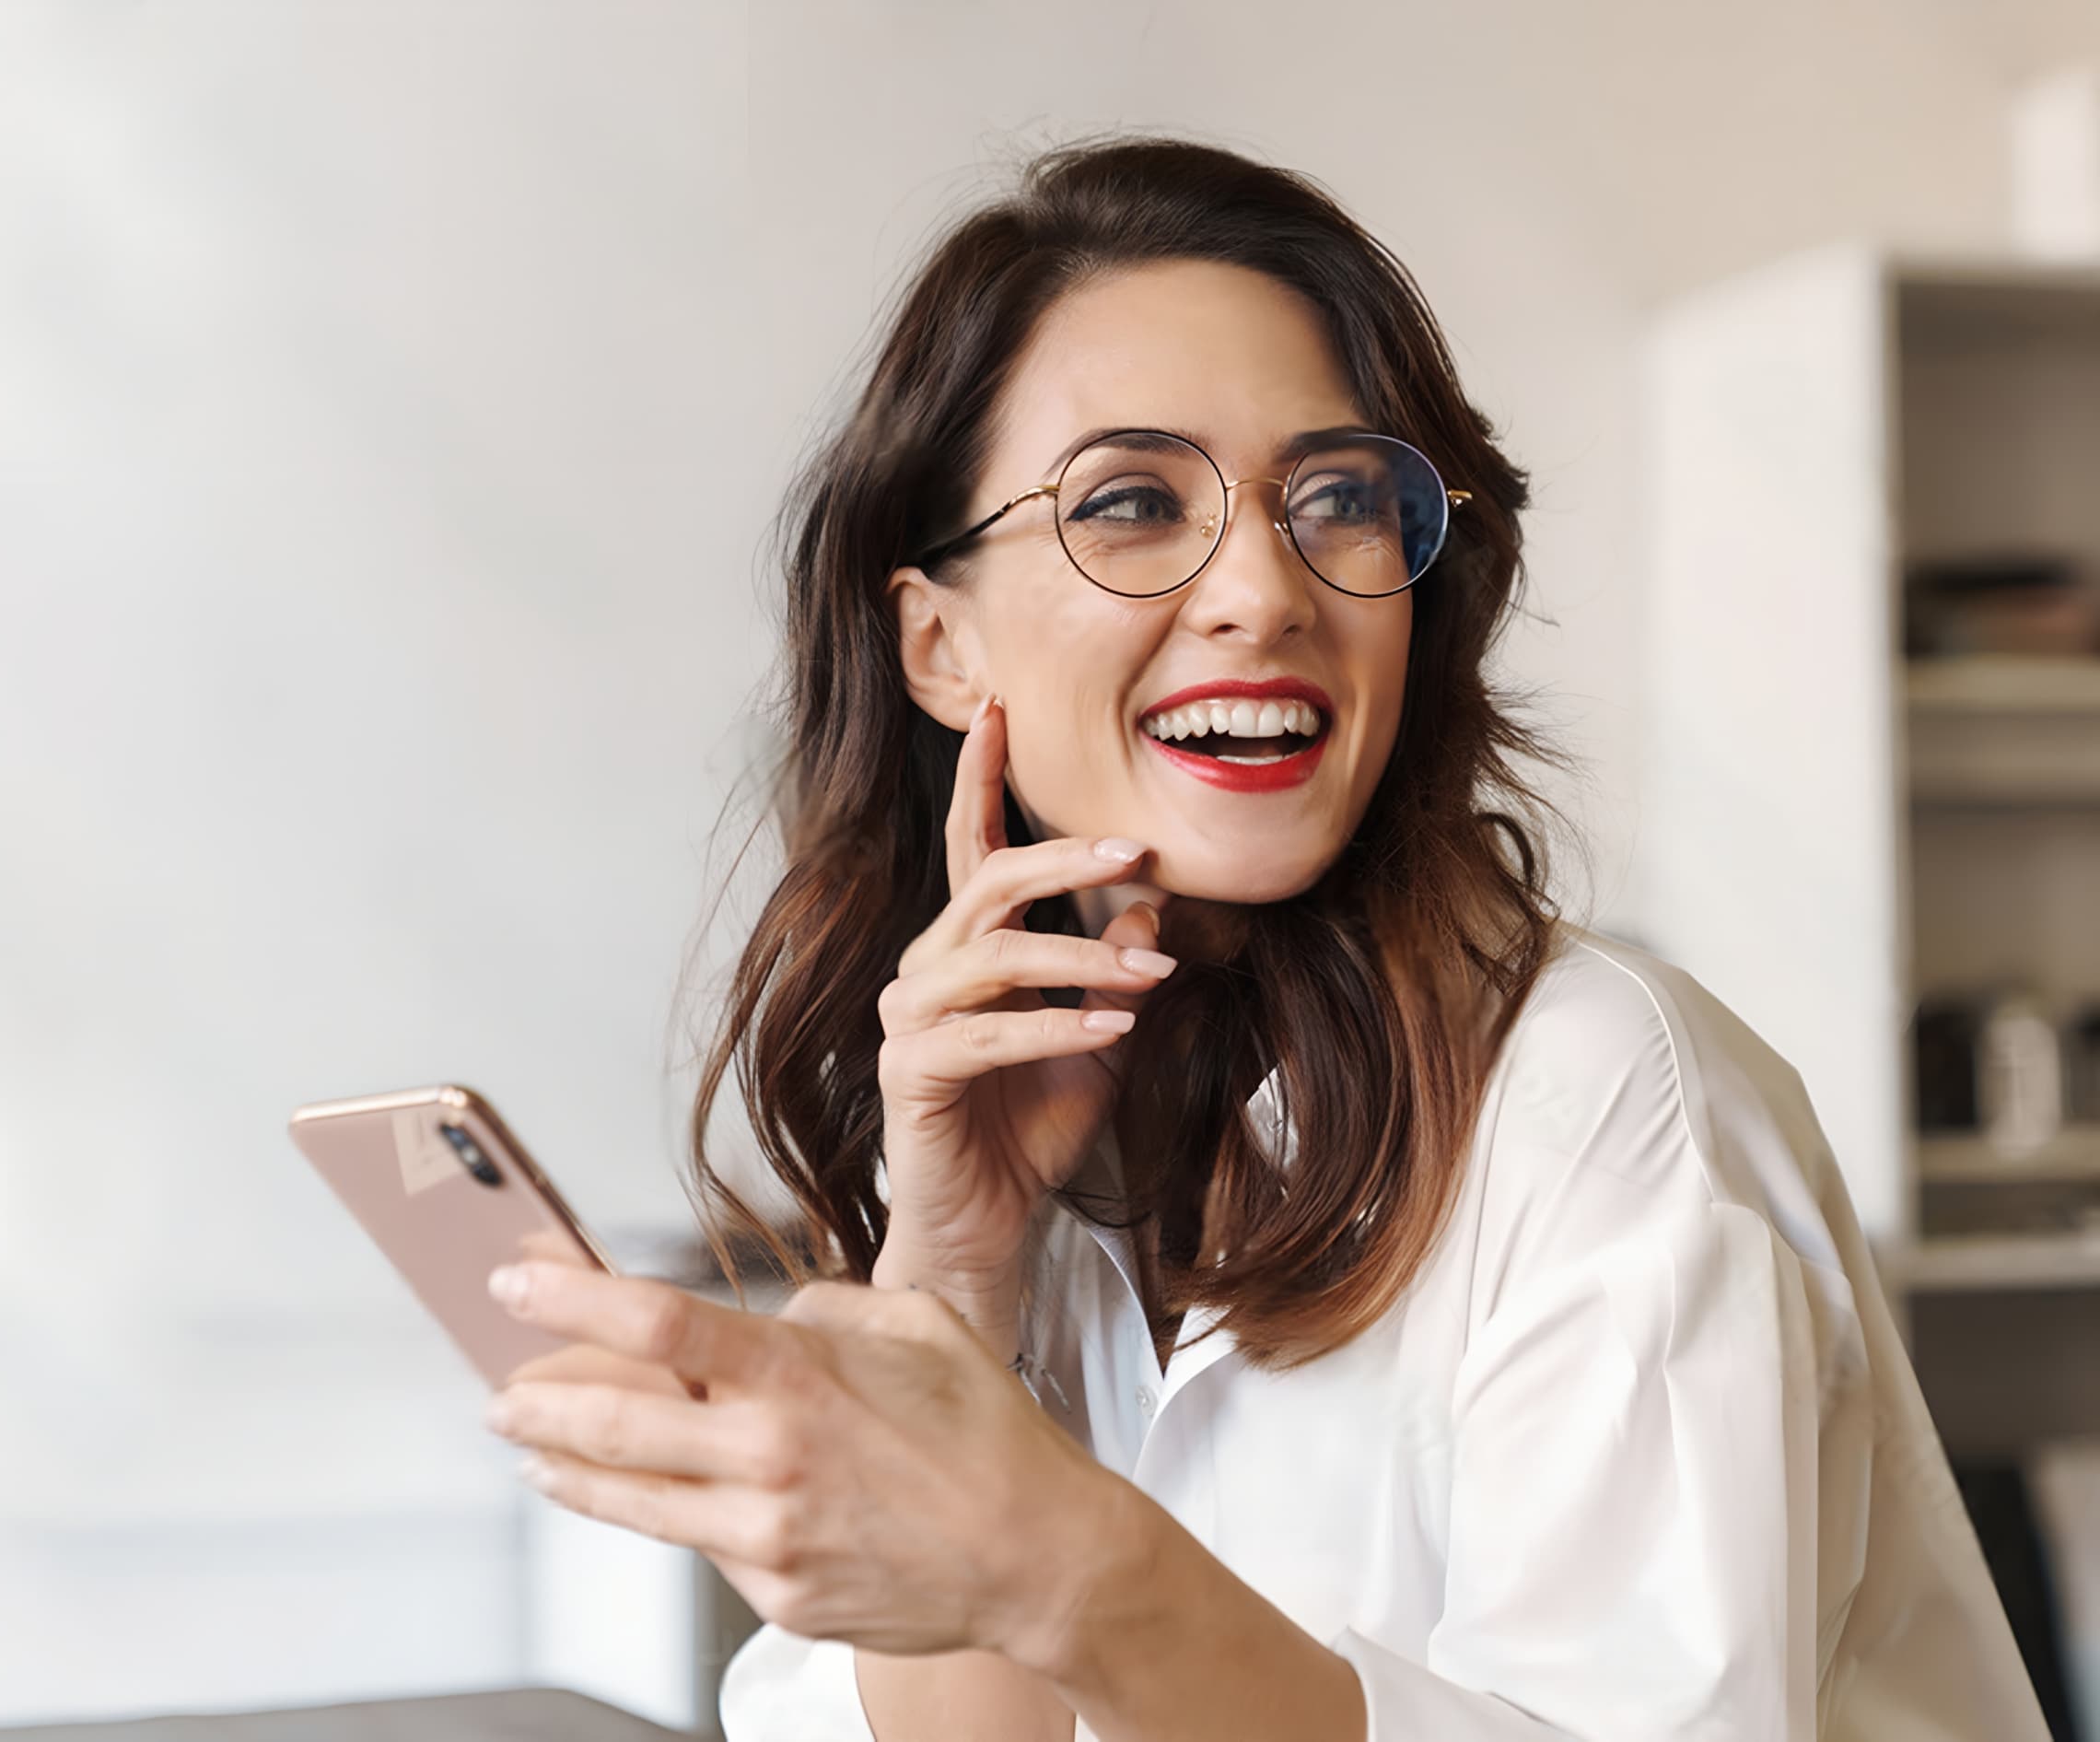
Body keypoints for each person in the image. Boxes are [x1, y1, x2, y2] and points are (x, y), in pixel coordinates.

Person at [472, 136, 2047, 1740]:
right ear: (939, 644)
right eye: (1138, 504)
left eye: (1339, 500)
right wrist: (952, 1285)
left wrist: (1071, 1573)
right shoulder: (1032, 1115)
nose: (1261, 589)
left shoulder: (1601, 1091)